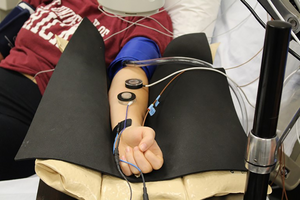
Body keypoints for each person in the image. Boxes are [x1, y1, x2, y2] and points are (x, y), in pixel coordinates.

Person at [0, 0, 172, 180]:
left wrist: (125, 128)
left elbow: (131, 73)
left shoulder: (146, 16)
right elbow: (3, 39)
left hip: (31, 112)